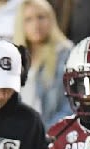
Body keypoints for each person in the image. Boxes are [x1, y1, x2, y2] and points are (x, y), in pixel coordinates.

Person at [12, 0, 73, 128]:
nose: (36, 25)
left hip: (49, 134)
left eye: (41, 17)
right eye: (28, 19)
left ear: (51, 20)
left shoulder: (66, 53)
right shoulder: (14, 58)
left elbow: (71, 105)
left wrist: (44, 134)